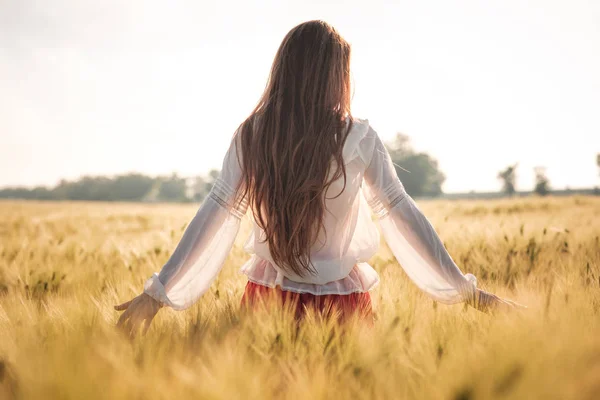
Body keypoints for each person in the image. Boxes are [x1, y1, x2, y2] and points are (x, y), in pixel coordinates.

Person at [115, 20, 522, 335]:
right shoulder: (358, 137)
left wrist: (158, 294)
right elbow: (400, 214)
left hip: (268, 303)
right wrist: (468, 292)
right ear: (333, 76)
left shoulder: (255, 133)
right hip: (342, 306)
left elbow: (217, 213)